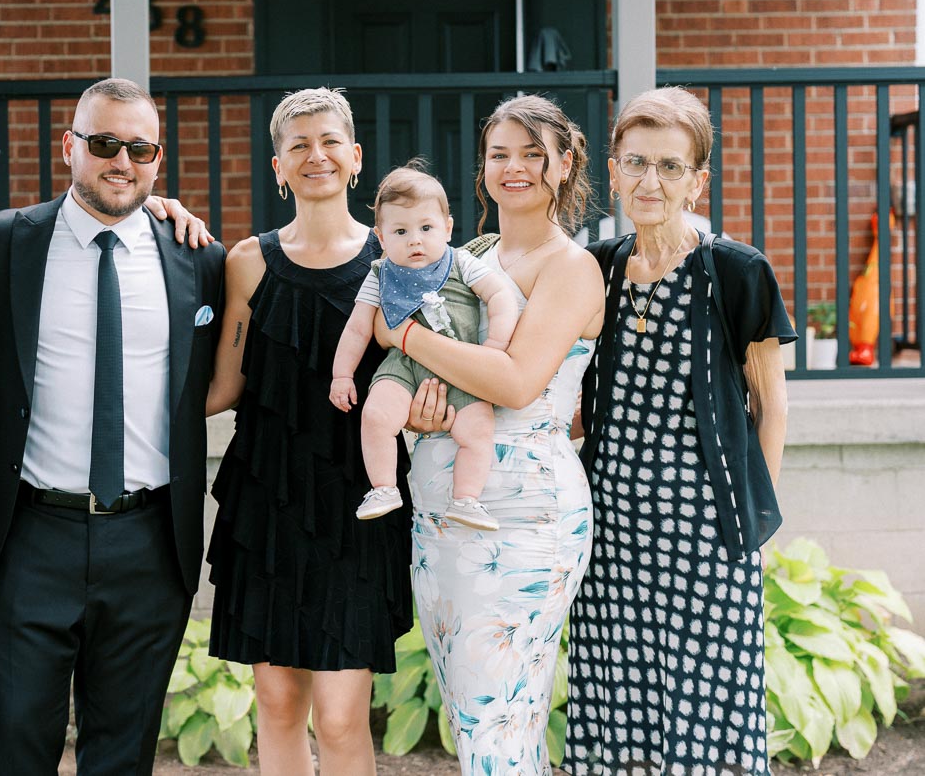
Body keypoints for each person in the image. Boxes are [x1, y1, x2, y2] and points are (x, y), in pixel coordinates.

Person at [0, 77, 226, 773]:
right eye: (105, 144)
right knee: (17, 748)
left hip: (149, 542)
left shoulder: (200, 260)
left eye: (141, 149)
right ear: (69, 147)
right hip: (27, 541)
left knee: (124, 756)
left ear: (159, 160)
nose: (122, 162)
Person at [565, 87, 795, 776]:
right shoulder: (597, 268)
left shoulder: (735, 270)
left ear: (697, 179)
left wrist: (749, 527)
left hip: (707, 533)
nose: (650, 181)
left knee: (708, 715)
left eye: (670, 166)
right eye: (635, 162)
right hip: (611, 531)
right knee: (619, 707)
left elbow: (771, 405)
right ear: (614, 168)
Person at [373, 94, 604, 773]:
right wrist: (419, 404)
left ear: (564, 166)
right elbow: (434, 372)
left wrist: (404, 332)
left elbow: (512, 383)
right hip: (443, 510)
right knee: (488, 715)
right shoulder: (468, 252)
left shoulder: (571, 267)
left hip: (521, 512)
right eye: (500, 153)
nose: (514, 168)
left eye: (533, 154)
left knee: (494, 717)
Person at [205, 87, 414, 775]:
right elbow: (225, 386)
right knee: (276, 699)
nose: (315, 155)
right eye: (298, 145)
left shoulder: (396, 262)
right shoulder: (248, 261)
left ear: (355, 159)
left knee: (343, 714)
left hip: (358, 502)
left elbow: (430, 370)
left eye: (329, 142)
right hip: (266, 499)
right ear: (277, 166)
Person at [330, 162, 517, 529]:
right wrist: (342, 374)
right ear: (381, 238)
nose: (415, 239)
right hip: (404, 366)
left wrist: (496, 344)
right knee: (376, 415)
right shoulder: (380, 274)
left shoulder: (461, 262)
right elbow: (357, 329)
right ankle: (384, 487)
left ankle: (466, 498)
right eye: (400, 231)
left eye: (426, 228)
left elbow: (501, 296)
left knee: (478, 431)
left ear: (447, 228)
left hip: (462, 365)